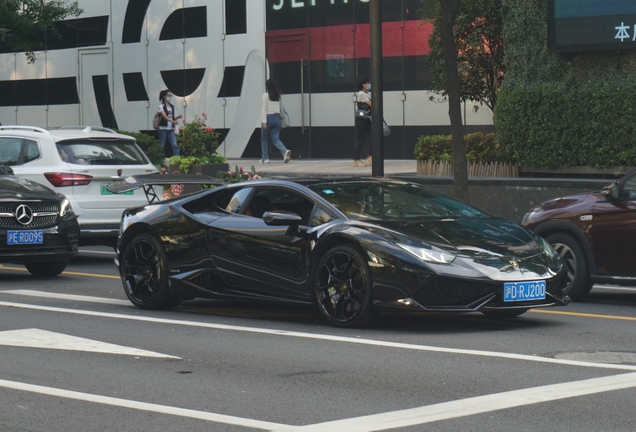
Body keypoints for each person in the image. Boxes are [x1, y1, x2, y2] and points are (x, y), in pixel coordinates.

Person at [261, 79, 291, 164]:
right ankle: (285, 151)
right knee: (276, 139)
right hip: (277, 118)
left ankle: (265, 158)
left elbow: (264, 109)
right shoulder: (277, 95)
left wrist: (264, 121)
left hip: (268, 117)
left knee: (264, 139)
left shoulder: (265, 96)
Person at [353, 76, 373, 167]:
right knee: (360, 140)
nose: (369, 84)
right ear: (363, 84)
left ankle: (370, 156)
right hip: (361, 120)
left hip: (367, 119)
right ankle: (356, 160)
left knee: (375, 136)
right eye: (368, 83)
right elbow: (371, 104)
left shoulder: (367, 93)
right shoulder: (361, 94)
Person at [157, 90, 182, 157]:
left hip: (171, 129)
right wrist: (172, 121)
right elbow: (165, 116)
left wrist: (177, 118)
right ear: (164, 96)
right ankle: (159, 159)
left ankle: (178, 158)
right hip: (163, 128)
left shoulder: (172, 106)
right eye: (169, 95)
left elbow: (171, 118)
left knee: (175, 144)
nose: (170, 97)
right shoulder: (161, 106)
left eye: (171, 95)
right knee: (162, 145)